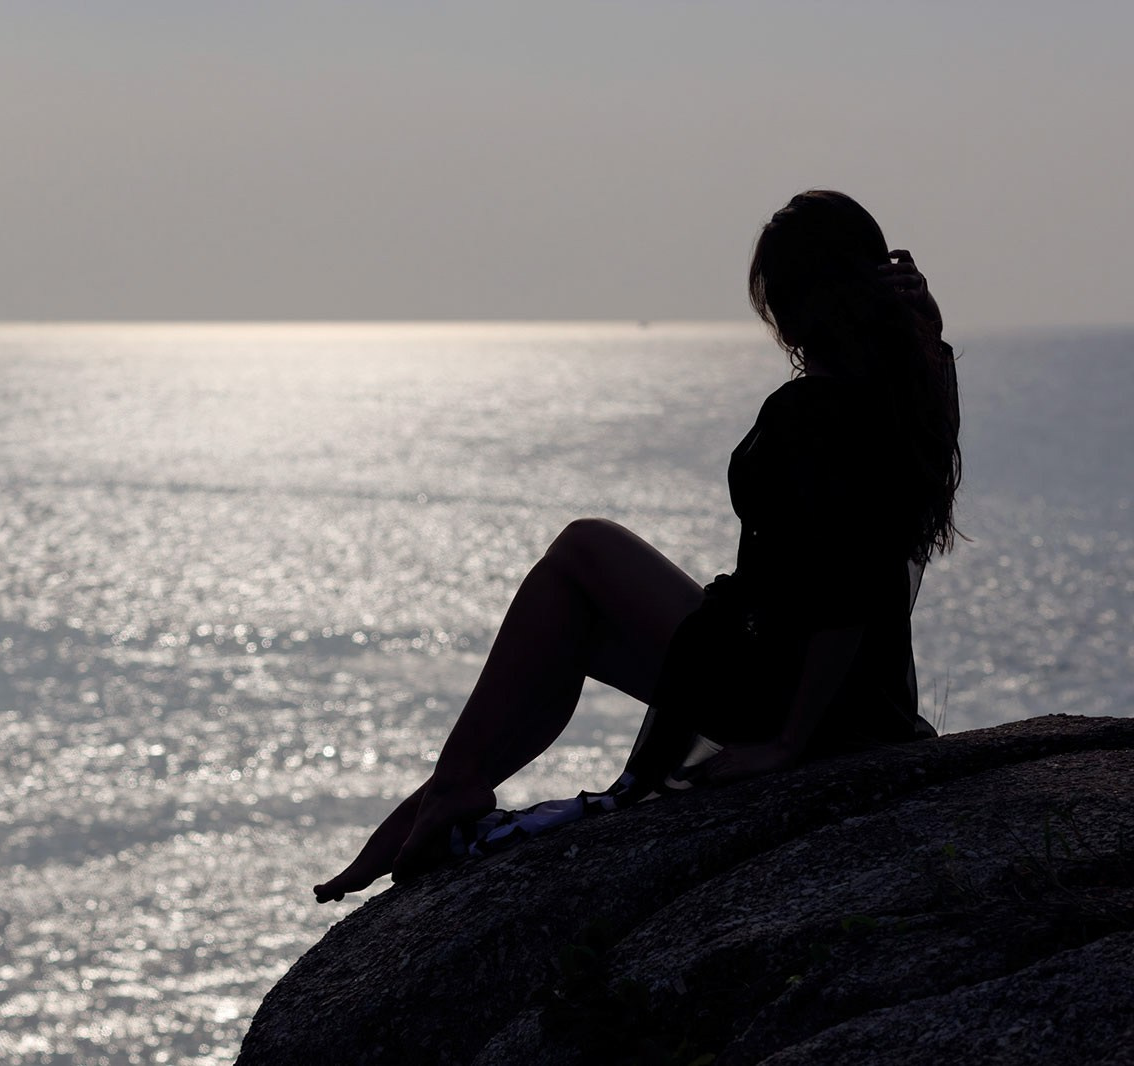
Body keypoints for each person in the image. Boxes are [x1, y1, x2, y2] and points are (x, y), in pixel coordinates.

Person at [314, 190, 961, 903]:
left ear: (798, 301)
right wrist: (925, 325)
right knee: (572, 620)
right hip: (833, 688)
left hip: (783, 690)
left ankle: (448, 791)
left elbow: (848, 586)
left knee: (582, 549)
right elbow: (863, 571)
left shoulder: (818, 412)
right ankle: (445, 791)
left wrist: (788, 745)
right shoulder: (909, 394)